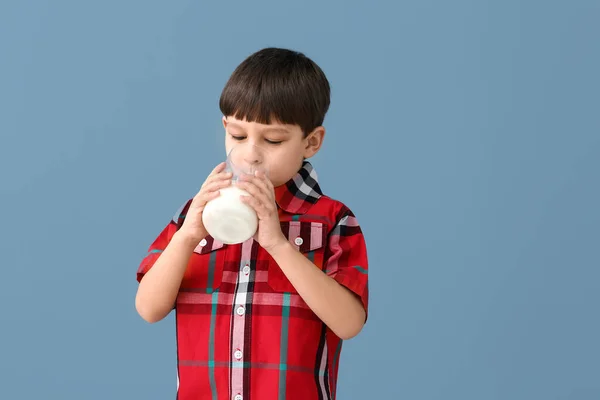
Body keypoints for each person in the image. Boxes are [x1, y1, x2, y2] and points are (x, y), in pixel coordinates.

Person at [135, 47, 369, 400]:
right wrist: (187, 237)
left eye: (273, 140)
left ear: (311, 142)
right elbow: (148, 309)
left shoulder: (333, 219)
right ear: (225, 128)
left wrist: (278, 243)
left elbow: (349, 323)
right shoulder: (194, 216)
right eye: (239, 136)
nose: (250, 154)